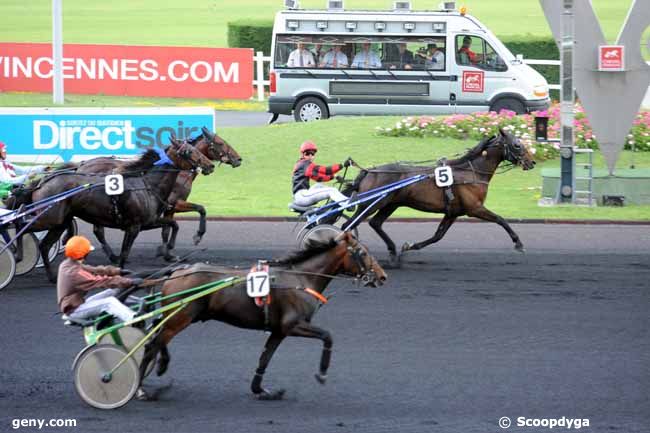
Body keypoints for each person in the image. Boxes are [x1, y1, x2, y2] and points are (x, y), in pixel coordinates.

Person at [57, 236, 143, 323]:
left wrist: (118, 271)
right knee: (109, 302)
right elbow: (101, 281)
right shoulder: (74, 273)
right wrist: (130, 282)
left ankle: (140, 302)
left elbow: (95, 270)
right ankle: (134, 319)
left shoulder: (68, 263)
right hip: (75, 310)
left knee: (112, 292)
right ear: (84, 254)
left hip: (78, 303)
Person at [292, 141, 354, 208]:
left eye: (312, 154)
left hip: (301, 195)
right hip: (301, 196)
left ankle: (336, 201)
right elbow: (321, 176)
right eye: (307, 153)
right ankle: (347, 204)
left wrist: (340, 169)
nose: (310, 156)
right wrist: (335, 174)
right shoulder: (305, 164)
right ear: (302, 155)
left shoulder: (302, 164)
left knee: (319, 185)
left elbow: (325, 172)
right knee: (332, 190)